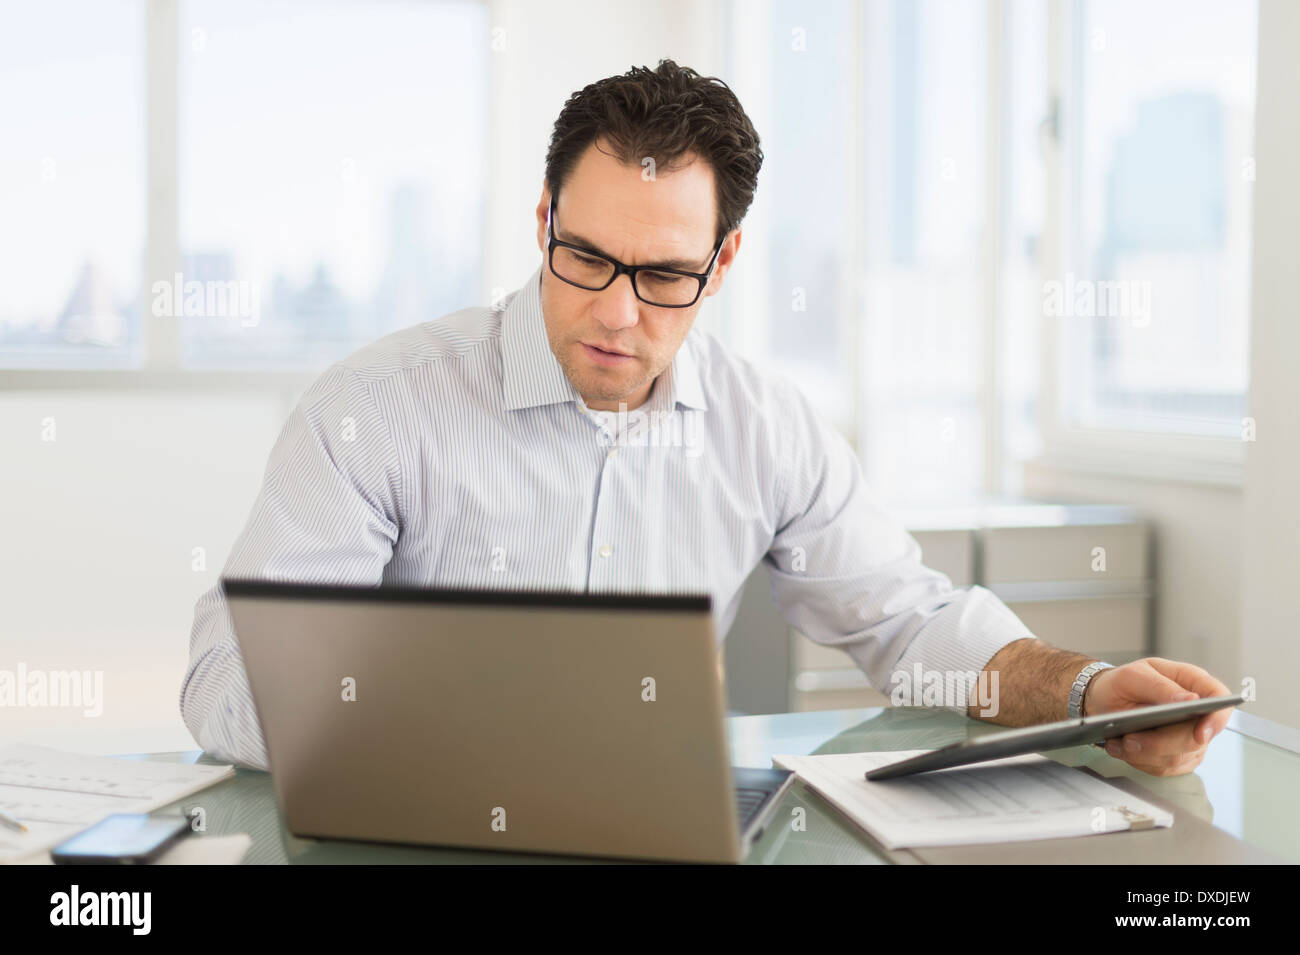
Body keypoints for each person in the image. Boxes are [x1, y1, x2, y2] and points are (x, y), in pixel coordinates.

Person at [181, 59, 1232, 775]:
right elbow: (229, 678)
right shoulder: (375, 407)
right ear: (544, 219)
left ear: (723, 261)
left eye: (666, 274)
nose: (615, 312)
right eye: (585, 255)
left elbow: (910, 627)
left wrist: (1090, 691)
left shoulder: (766, 426)